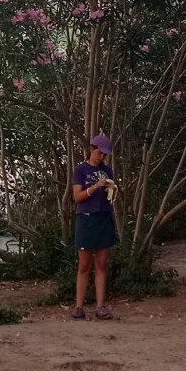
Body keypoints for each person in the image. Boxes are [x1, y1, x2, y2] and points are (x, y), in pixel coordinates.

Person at [70, 133, 118, 320]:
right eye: (100, 153)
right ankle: (79, 307)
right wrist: (94, 187)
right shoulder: (81, 169)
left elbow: (110, 198)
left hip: (103, 218)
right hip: (86, 219)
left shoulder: (107, 171)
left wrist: (110, 190)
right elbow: (77, 197)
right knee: (84, 265)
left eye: (105, 154)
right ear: (91, 149)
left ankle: (100, 307)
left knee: (101, 264)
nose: (102, 157)